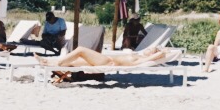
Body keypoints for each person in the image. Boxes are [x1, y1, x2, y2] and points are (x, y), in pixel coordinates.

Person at [41, 45, 171, 68]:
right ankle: (50, 63)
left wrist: (162, 51)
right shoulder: (138, 55)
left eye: (150, 49)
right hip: (106, 60)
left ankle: (58, 62)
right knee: (76, 62)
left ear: (153, 54)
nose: (147, 49)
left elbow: (158, 55)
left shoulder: (142, 59)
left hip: (108, 61)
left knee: (80, 50)